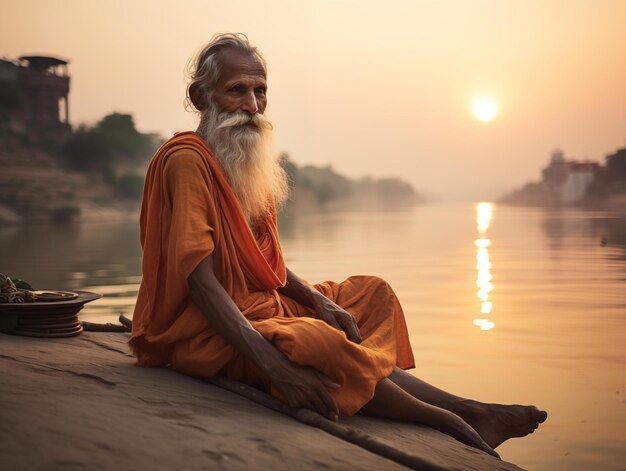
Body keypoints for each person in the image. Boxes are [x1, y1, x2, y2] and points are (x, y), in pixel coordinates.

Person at [130, 33, 546, 458]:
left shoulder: (240, 159)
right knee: (317, 342)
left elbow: (263, 265)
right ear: (201, 96)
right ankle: (452, 420)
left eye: (260, 92)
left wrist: (317, 299)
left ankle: (467, 407)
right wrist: (272, 365)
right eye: (237, 91)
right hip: (203, 328)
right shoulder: (187, 160)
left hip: (261, 306)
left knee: (370, 295)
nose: (252, 106)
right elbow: (200, 283)